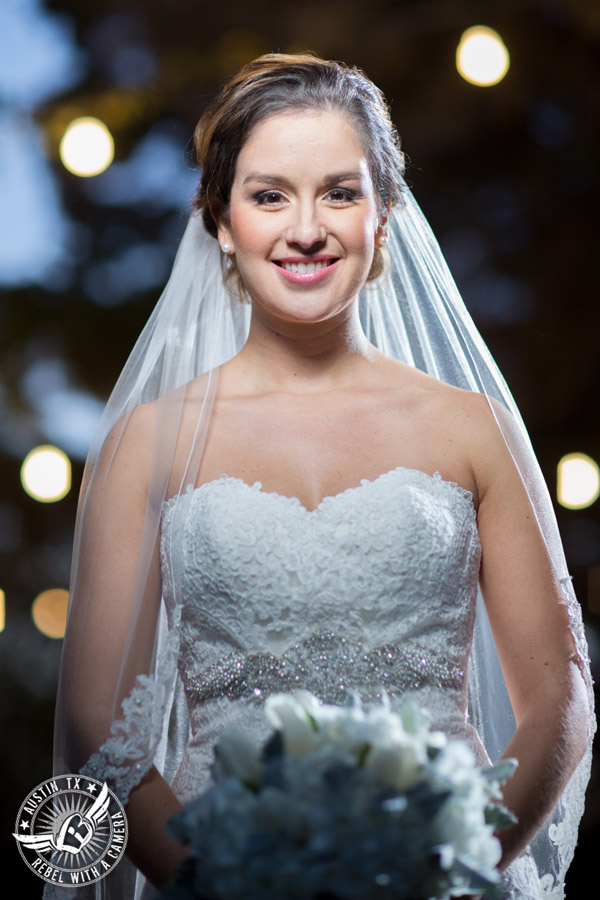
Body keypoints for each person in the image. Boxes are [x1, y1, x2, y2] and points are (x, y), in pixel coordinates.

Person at [48, 53, 594, 900]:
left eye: (340, 192)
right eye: (269, 195)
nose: (307, 229)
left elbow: (560, 698)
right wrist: (211, 880)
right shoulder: (147, 442)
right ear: (221, 221)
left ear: (385, 216)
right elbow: (96, 728)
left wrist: (453, 861)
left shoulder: (468, 426)